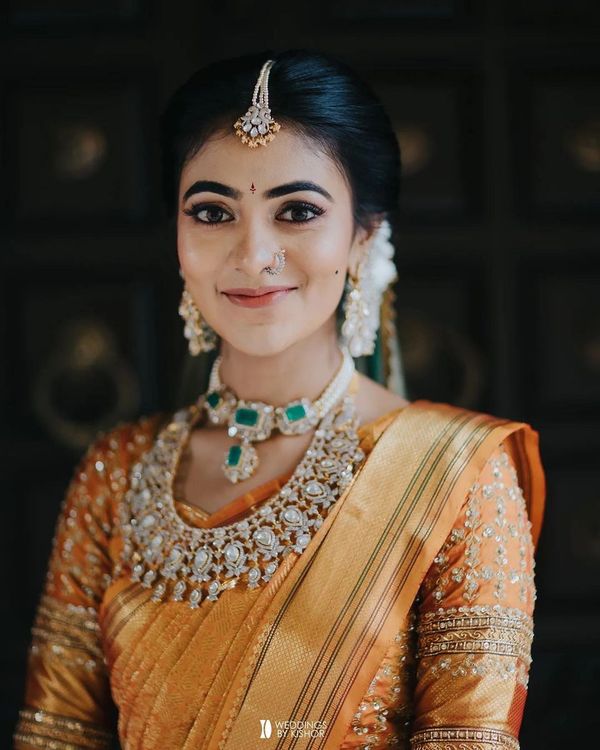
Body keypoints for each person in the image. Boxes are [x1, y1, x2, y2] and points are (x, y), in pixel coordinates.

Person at [13, 50, 545, 750]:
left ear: (364, 235)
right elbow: (56, 733)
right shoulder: (118, 472)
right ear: (177, 237)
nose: (253, 253)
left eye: (296, 211)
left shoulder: (455, 475)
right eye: (212, 211)